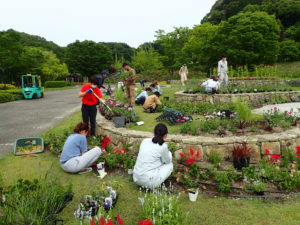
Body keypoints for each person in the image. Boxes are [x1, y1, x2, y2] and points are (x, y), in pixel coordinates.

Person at [133, 123, 173, 188]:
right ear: (165, 135)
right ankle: (155, 184)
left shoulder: (144, 141)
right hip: (148, 181)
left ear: (153, 132)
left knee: (157, 161)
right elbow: (167, 161)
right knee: (170, 165)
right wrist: (169, 153)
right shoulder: (163, 146)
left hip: (136, 177)